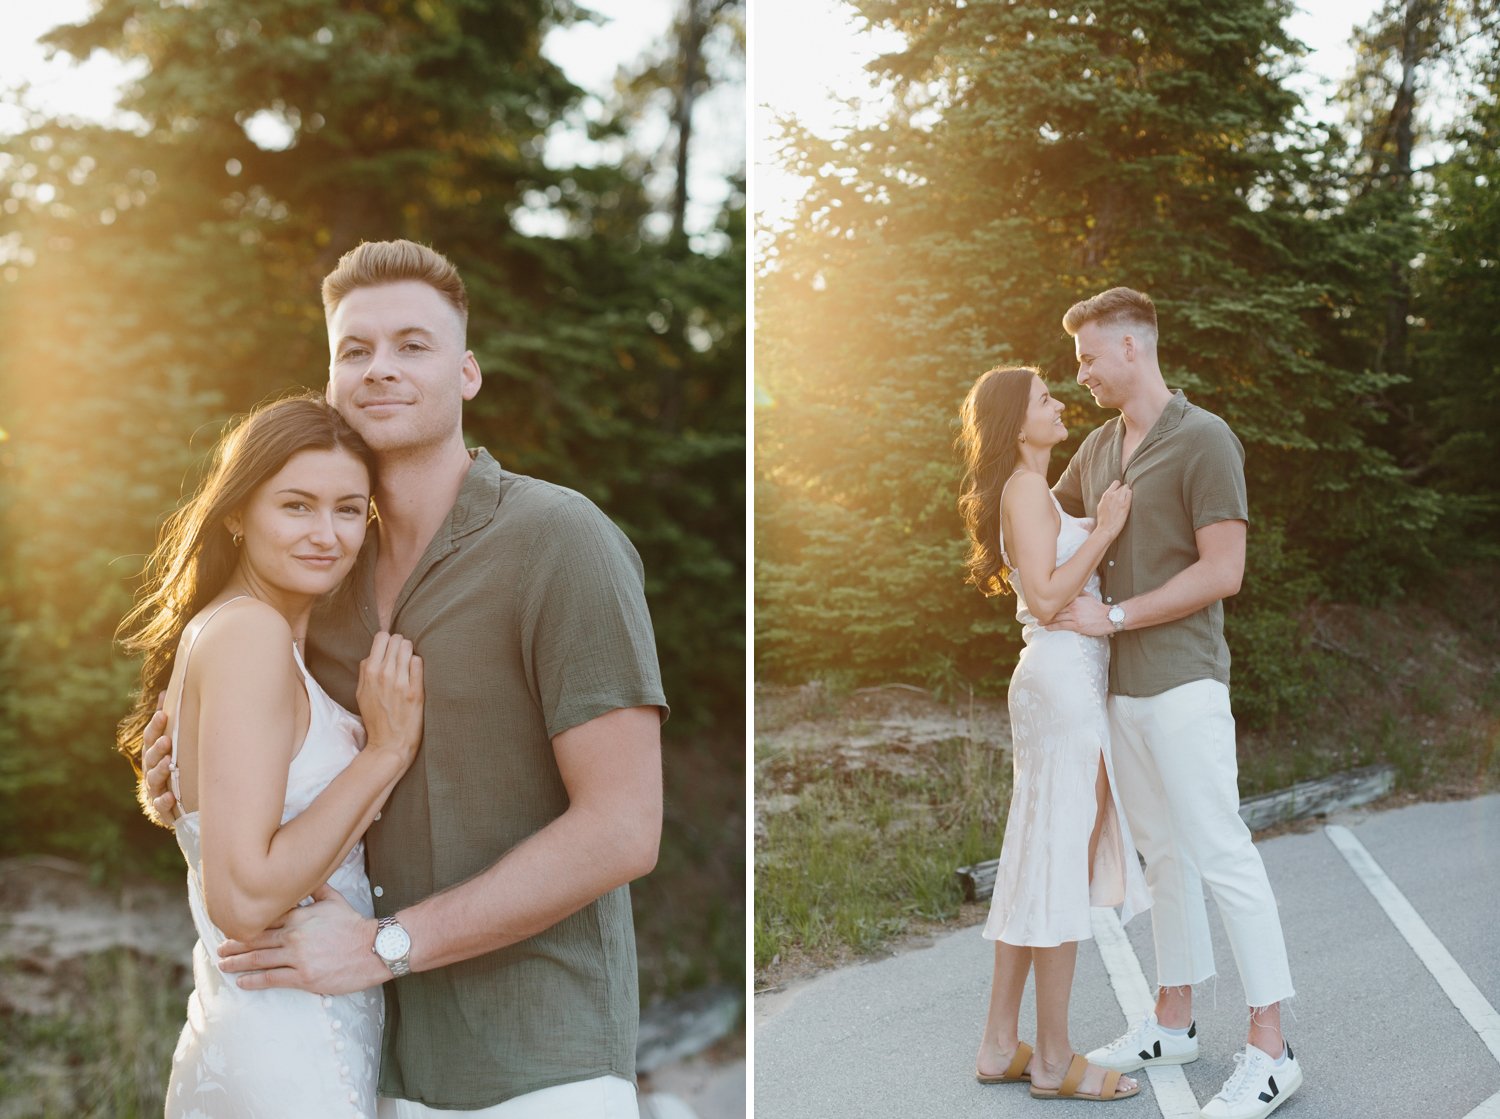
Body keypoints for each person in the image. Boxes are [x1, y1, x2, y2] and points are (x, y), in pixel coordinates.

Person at [140, 240, 667, 1118]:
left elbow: (622, 827)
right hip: (369, 1061)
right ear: (331, 379)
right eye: (355, 349)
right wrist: (182, 790)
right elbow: (272, 777)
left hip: (537, 1060)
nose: (380, 368)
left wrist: (386, 944)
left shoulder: (559, 540)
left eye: (412, 345)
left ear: (467, 373)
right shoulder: (321, 579)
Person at [116, 393, 426, 1118]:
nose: (327, 534)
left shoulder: (235, 632)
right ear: (236, 513)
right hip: (291, 1057)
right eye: (296, 505)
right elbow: (246, 900)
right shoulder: (249, 634)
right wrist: (385, 751)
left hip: (273, 1039)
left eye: (349, 509)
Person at [1049, 287, 1302, 1119]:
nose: (1080, 371)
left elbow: (1222, 570)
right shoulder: (1094, 447)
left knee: (1220, 848)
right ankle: (1175, 1019)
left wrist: (1115, 613)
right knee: (1162, 859)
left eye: (1089, 356)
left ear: (1132, 348)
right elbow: (1056, 533)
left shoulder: (1204, 439)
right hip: (1120, 691)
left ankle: (1272, 1046)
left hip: (1188, 682)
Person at [957, 365, 1151, 1104]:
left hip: (1063, 681)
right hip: (1063, 681)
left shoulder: (1032, 487)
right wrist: (1104, 530)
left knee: (1036, 859)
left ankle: (1002, 1043)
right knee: (1057, 864)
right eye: (1044, 398)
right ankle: (1054, 1059)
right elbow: (1042, 592)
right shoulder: (1025, 488)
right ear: (1017, 421)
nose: (1058, 403)